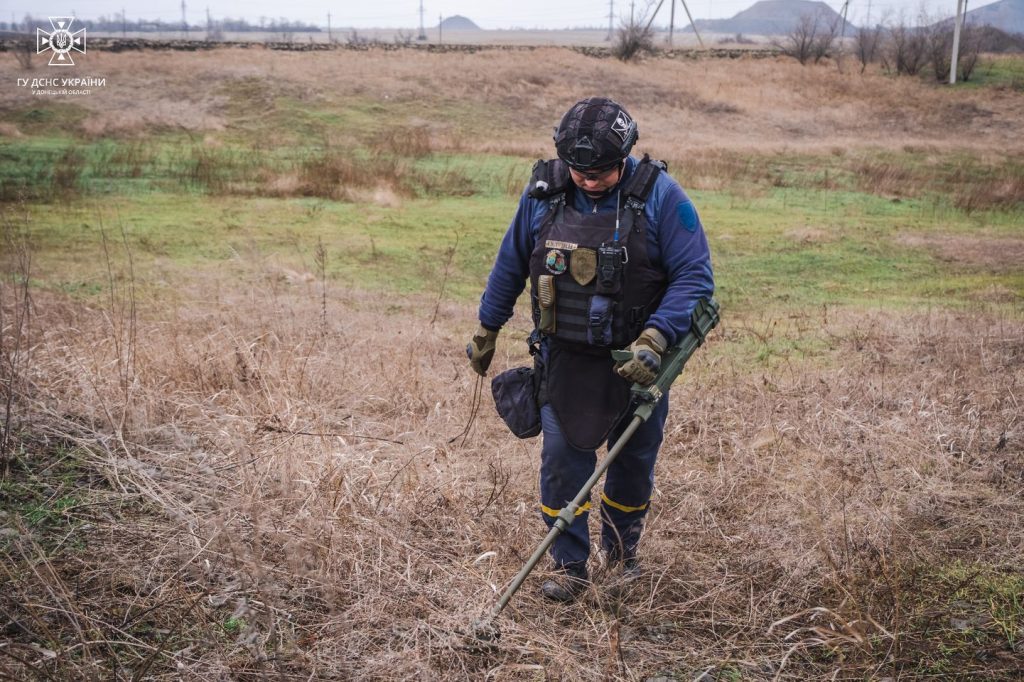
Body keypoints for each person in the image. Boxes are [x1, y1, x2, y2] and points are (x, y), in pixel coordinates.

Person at [467, 97, 714, 602]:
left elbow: (695, 276)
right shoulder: (542, 195)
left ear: (624, 156)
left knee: (631, 464)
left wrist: (658, 336)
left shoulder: (661, 197)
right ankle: (569, 567)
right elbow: (510, 263)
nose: (588, 179)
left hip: (638, 366)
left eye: (600, 171)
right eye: (579, 170)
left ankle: (623, 558)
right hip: (565, 360)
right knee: (562, 462)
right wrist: (488, 328)